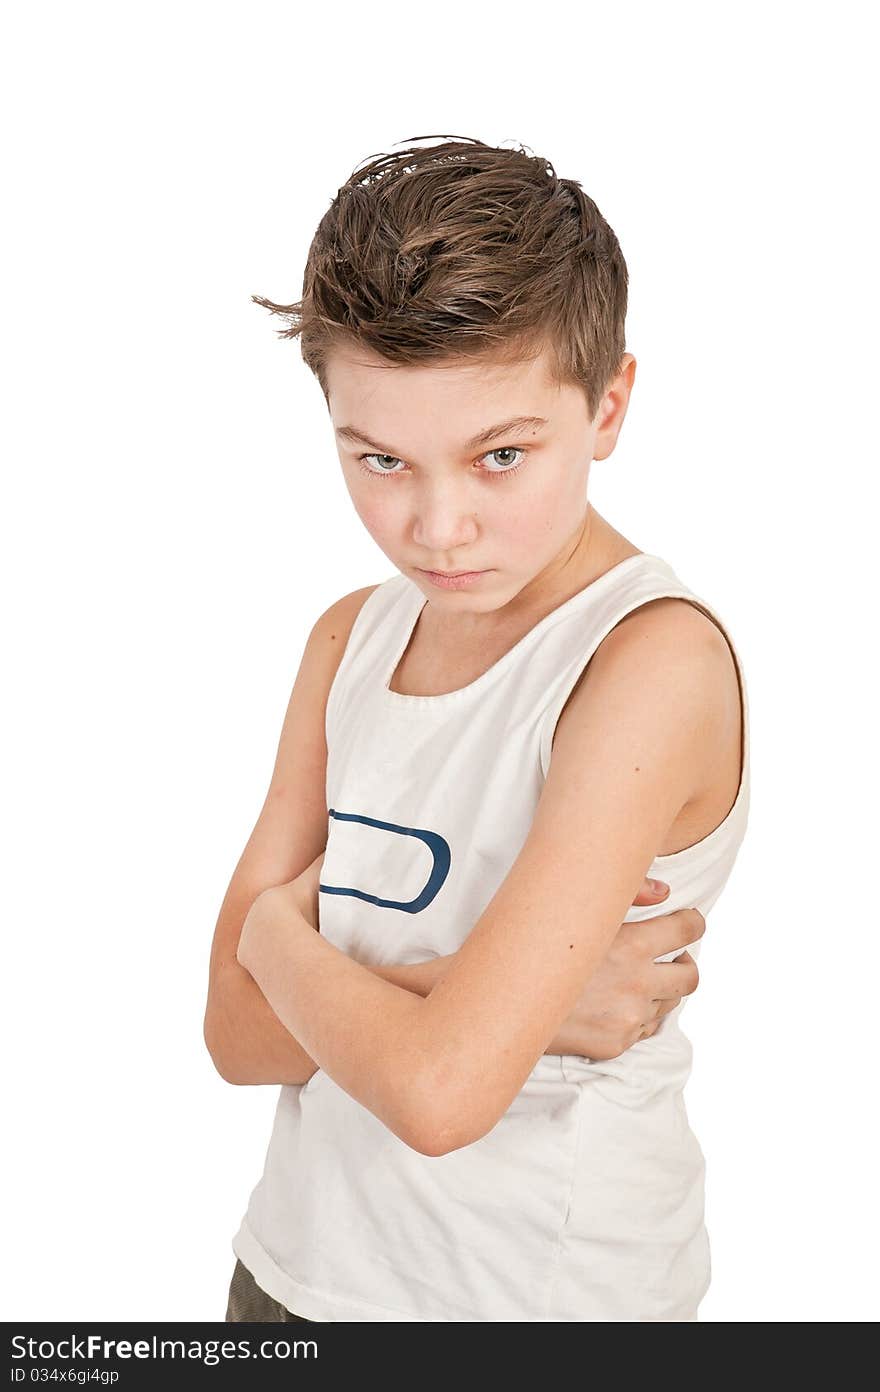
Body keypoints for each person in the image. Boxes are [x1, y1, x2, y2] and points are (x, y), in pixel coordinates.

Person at [204, 135, 749, 1323]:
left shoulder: (643, 658)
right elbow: (236, 1040)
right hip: (291, 1277)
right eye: (380, 460)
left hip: (536, 1305)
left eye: (500, 455)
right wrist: (493, 1000)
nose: (436, 525)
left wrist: (270, 934)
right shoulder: (349, 639)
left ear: (607, 407)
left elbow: (442, 1097)